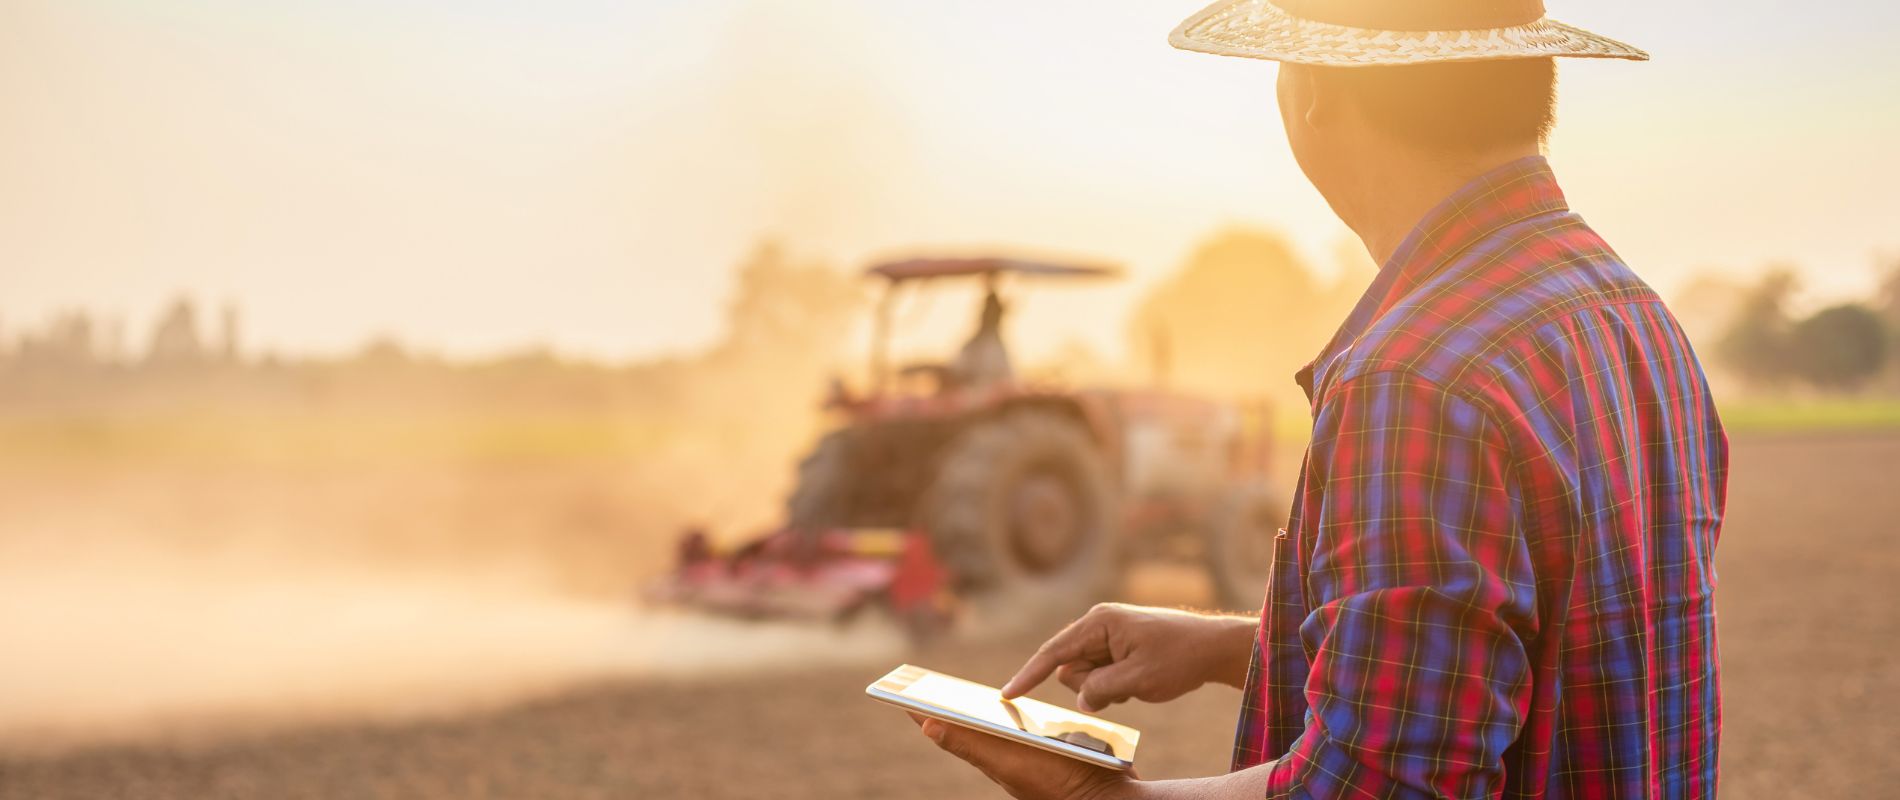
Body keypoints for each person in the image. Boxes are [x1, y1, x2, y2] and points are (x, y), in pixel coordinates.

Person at [911, 2, 1728, 798]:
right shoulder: (1631, 315)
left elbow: (1380, 785)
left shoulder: (1414, 376)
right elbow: (1528, 661)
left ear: (1312, 92)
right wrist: (1237, 647)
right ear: (1528, 74)